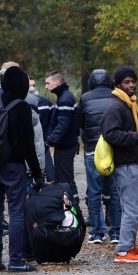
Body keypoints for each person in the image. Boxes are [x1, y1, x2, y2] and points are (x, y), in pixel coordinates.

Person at [0, 66, 44, 272]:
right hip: (13, 167)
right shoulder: (22, 108)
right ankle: (15, 260)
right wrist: (37, 174)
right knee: (16, 213)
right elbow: (29, 146)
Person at [100, 66, 138, 263]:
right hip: (124, 163)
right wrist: (136, 137)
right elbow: (110, 133)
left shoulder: (129, 104)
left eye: (132, 81)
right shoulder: (117, 106)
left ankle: (129, 244)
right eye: (126, 82)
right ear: (118, 84)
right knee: (132, 208)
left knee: (128, 206)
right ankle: (123, 251)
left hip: (131, 162)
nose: (131, 85)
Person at [78, 69, 121, 244]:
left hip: (92, 149)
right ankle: (116, 232)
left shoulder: (85, 98)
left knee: (94, 191)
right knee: (115, 191)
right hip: (113, 148)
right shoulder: (117, 96)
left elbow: (80, 123)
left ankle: (97, 232)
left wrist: (87, 140)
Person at [44, 70, 79, 205]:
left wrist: (49, 141)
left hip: (66, 147)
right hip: (65, 145)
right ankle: (70, 207)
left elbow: (63, 125)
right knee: (64, 179)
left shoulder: (65, 98)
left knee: (66, 180)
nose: (46, 87)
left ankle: (74, 209)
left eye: (48, 83)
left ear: (57, 82)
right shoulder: (63, 96)